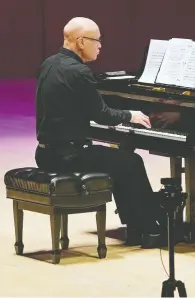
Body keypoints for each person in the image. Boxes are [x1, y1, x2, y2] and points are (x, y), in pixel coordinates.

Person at [34, 17, 166, 248]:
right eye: (97, 40)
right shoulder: (80, 72)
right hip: (68, 156)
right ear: (81, 41)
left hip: (45, 153)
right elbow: (102, 114)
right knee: (131, 162)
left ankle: (136, 227)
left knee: (120, 159)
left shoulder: (50, 63)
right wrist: (130, 115)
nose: (100, 46)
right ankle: (150, 229)